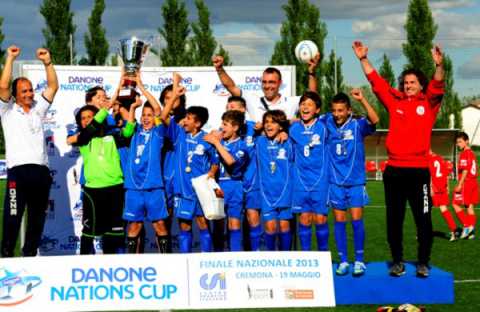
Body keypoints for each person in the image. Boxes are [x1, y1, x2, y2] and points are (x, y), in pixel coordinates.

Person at [353, 40, 445, 278]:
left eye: (412, 82)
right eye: (405, 83)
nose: (407, 86)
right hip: (394, 171)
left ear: (421, 85)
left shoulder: (430, 102)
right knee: (394, 220)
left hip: (419, 172)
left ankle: (423, 262)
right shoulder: (395, 101)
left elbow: (438, 82)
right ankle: (397, 261)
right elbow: (377, 82)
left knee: (423, 219)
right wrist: (363, 59)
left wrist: (438, 65)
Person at [0, 45, 58, 257]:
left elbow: (52, 86)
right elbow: (3, 85)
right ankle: (6, 258)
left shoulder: (38, 108)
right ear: (14, 95)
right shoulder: (6, 111)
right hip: (18, 172)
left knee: (37, 220)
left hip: (41, 172)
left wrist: (47, 62)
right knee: (12, 217)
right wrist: (10, 58)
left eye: (31, 89)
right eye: (24, 91)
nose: (29, 93)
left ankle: (30, 257)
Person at [67, 100, 137, 254]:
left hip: (115, 188)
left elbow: (128, 132)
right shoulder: (83, 138)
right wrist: (105, 108)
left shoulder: (112, 136)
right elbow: (91, 128)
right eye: (83, 118)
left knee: (112, 233)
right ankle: (84, 268)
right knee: (88, 232)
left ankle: (108, 268)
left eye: (89, 116)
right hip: (93, 191)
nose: (86, 120)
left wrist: (131, 108)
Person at [160, 73, 219, 253]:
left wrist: (211, 173)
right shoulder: (179, 135)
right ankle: (186, 259)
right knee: (184, 225)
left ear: (198, 123)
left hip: (200, 190)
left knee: (202, 223)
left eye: (189, 119)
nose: (184, 121)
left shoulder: (207, 139)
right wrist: (175, 93)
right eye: (185, 118)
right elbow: (163, 118)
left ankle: (206, 259)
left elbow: (215, 161)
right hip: (182, 189)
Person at [325, 90, 378, 276]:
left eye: (341, 110)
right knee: (339, 222)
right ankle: (343, 261)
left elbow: (375, 119)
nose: (337, 114)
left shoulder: (357, 125)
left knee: (356, 221)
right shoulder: (328, 122)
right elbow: (308, 118)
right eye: (334, 110)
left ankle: (359, 261)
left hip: (355, 182)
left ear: (348, 110)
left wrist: (362, 99)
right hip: (335, 182)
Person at [123, 74, 170, 254]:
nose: (146, 118)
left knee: (159, 224)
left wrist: (142, 88)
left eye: (149, 115)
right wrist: (134, 107)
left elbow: (159, 110)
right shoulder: (134, 131)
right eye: (144, 115)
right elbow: (127, 129)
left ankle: (165, 261)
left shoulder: (158, 133)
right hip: (133, 188)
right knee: (134, 226)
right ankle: (132, 263)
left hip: (153, 188)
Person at [212, 54, 320, 122]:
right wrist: (219, 69)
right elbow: (231, 86)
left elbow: (312, 96)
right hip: (261, 155)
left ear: (280, 83)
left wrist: (311, 72)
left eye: (272, 82)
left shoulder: (291, 101)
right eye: (265, 82)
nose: (267, 86)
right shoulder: (252, 100)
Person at [289, 91, 329, 253]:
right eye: (303, 104)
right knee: (304, 219)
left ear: (317, 110)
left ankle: (323, 257)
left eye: (309, 104)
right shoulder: (292, 129)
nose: (305, 107)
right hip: (300, 181)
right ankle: (306, 259)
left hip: (320, 181)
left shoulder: (325, 126)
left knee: (320, 219)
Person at [204, 110, 249, 251]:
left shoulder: (242, 145)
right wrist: (213, 137)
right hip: (218, 185)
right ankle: (218, 257)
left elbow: (230, 161)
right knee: (218, 224)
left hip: (234, 185)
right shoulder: (219, 140)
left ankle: (234, 257)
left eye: (225, 124)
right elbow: (204, 139)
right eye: (221, 123)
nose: (221, 127)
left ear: (235, 128)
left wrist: (217, 143)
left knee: (234, 224)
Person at [225, 96, 262, 251]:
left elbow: (277, 128)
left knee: (252, 217)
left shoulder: (256, 128)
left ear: (242, 109)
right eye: (227, 107)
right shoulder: (224, 131)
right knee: (231, 221)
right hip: (232, 183)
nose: (228, 110)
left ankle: (255, 256)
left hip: (252, 180)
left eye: (232, 107)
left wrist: (282, 133)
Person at [256, 110, 293, 251]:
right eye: (266, 122)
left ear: (281, 126)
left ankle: (285, 258)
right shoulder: (259, 141)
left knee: (284, 226)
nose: (268, 125)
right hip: (267, 193)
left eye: (273, 122)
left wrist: (286, 132)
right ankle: (272, 258)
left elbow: (296, 123)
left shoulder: (289, 142)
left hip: (285, 192)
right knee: (270, 228)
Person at [428, 150, 460, 241]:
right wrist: (447, 187)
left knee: (425, 209)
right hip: (443, 186)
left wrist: (430, 187)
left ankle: (423, 232)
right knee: (444, 208)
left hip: (435, 187)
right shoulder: (440, 158)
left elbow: (430, 174)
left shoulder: (429, 160)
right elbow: (446, 174)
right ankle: (454, 230)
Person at [452, 132, 478, 239]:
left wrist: (460, 184)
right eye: (457, 142)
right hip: (474, 182)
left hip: (466, 183)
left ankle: (467, 227)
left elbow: (466, 170)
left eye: (460, 142)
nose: (458, 144)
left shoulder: (465, 154)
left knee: (455, 204)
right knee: (469, 207)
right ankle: (471, 232)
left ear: (466, 141)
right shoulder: (472, 153)